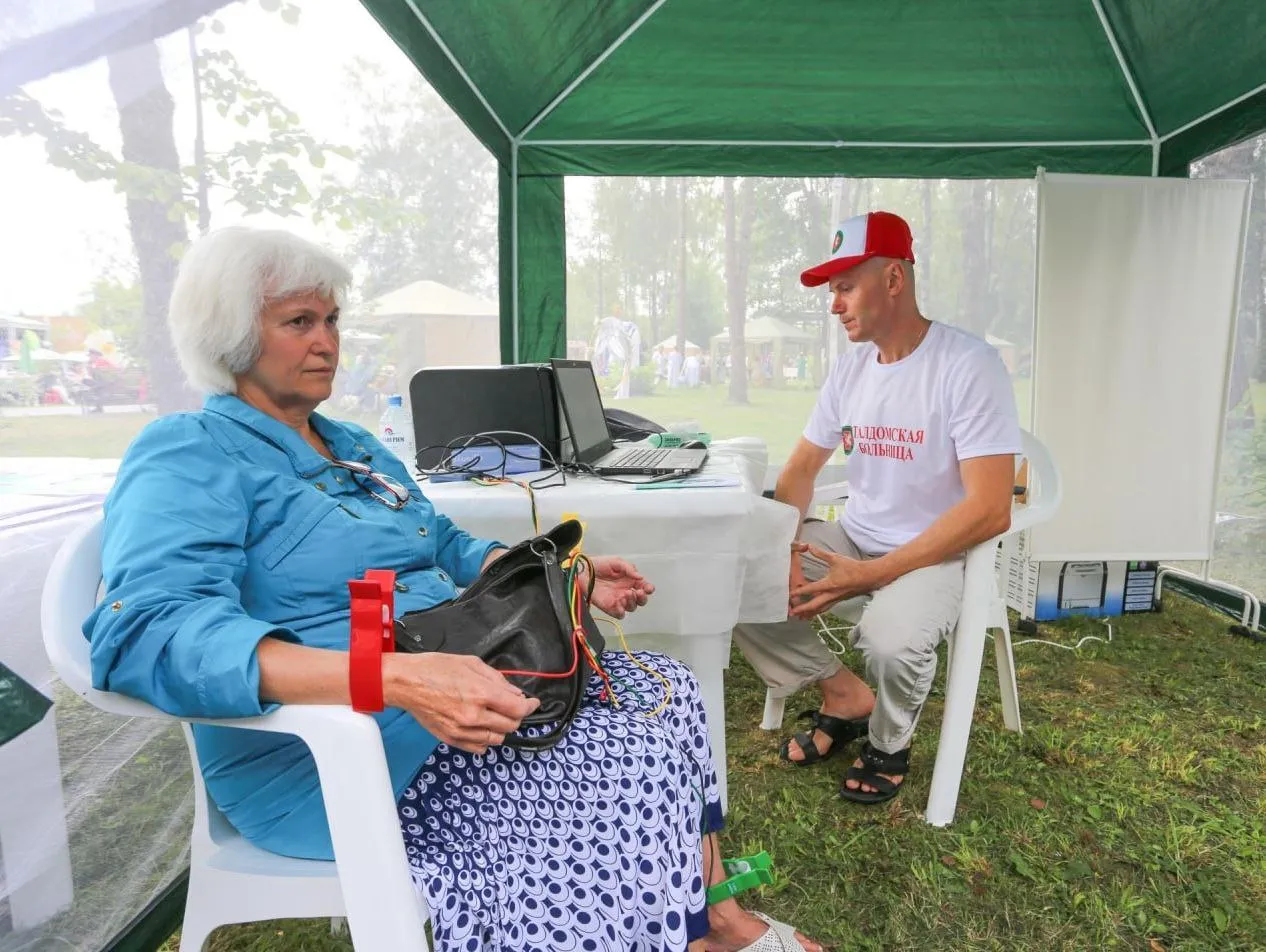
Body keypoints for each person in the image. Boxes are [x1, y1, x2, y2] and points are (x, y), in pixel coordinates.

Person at [84, 227, 822, 952]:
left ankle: (705, 917)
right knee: (612, 767)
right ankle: (664, 935)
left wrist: (568, 576)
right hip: (331, 753)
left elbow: (443, 545)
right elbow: (145, 634)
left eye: (333, 319)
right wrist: (392, 677)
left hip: (451, 677)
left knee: (665, 688)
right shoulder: (189, 451)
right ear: (231, 337)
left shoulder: (352, 446)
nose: (327, 341)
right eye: (299, 322)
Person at [733, 211, 1020, 804]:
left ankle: (889, 742)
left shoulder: (968, 366)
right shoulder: (852, 367)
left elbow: (992, 508)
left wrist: (876, 573)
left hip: (934, 555)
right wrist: (785, 551)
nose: (834, 305)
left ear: (894, 279)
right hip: (854, 537)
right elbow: (799, 473)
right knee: (738, 574)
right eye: (832, 291)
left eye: (845, 288)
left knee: (890, 641)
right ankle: (842, 693)